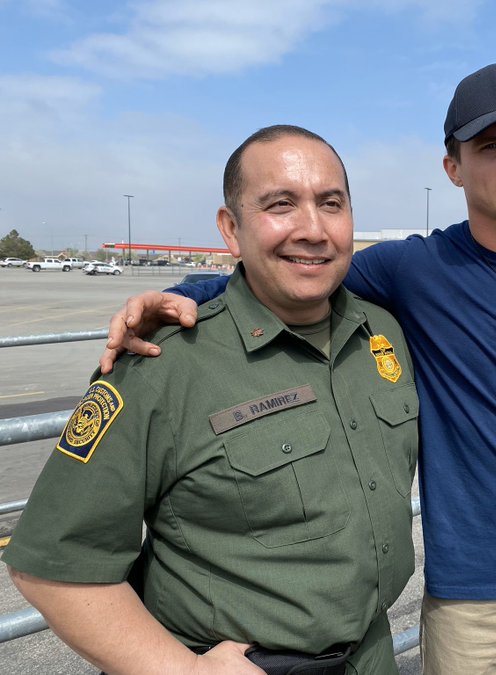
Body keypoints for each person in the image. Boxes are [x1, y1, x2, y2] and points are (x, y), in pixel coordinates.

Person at [101, 64, 496, 673]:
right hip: (471, 599)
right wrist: (175, 296)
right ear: (452, 167)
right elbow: (286, 273)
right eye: (490, 146)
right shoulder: (414, 270)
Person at [3, 125, 419, 675]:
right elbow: (54, 563)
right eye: (281, 204)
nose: (313, 229)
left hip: (371, 656)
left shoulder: (382, 333)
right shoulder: (164, 363)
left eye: (331, 203)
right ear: (231, 229)